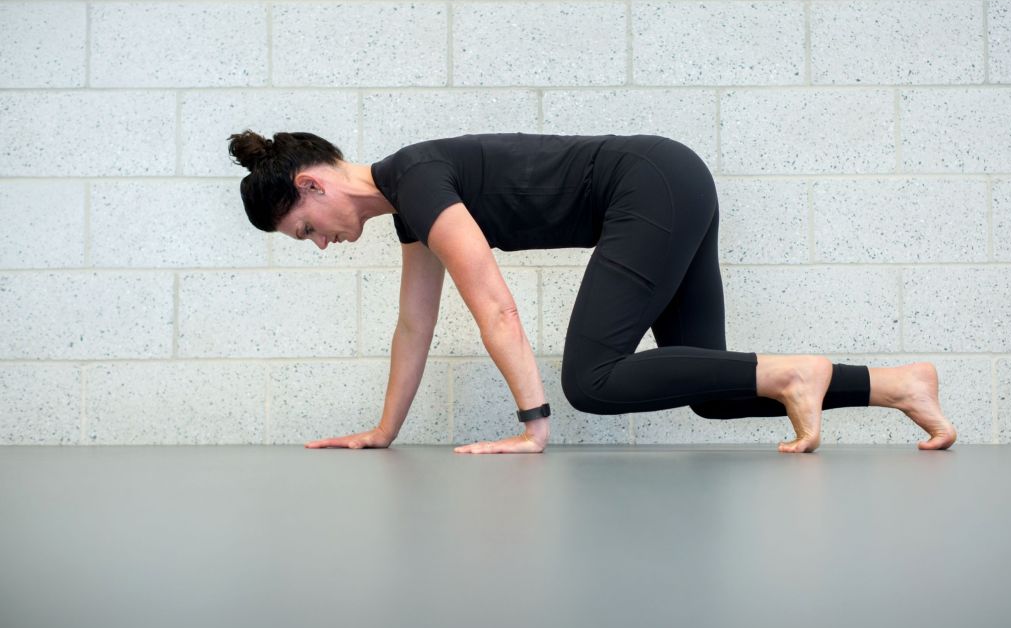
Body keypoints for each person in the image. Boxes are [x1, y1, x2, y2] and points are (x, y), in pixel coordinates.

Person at [227, 129, 957, 455]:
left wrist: (533, 424)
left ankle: (799, 371)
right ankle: (900, 386)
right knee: (715, 388)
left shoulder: (417, 178)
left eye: (306, 230)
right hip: (671, 180)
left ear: (311, 184)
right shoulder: (410, 207)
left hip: (650, 185)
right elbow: (414, 328)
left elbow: (495, 304)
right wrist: (384, 431)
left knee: (594, 380)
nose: (321, 244)